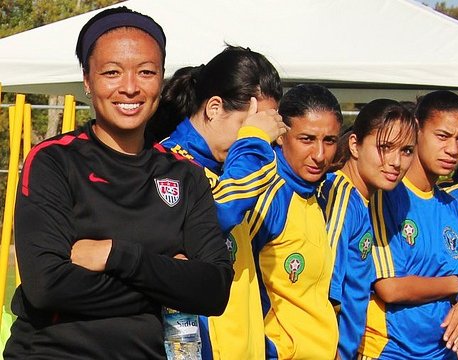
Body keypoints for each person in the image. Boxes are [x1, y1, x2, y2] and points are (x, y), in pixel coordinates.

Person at [4, 7, 233, 359]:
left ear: (161, 79)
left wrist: (118, 255)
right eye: (112, 72)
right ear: (87, 79)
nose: (129, 88)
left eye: (145, 72)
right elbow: (47, 286)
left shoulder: (184, 176)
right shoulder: (54, 161)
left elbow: (214, 290)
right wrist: (171, 280)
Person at [149, 45, 286, 360]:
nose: (254, 137)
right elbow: (215, 215)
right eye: (247, 124)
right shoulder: (166, 163)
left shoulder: (232, 167)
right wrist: (253, 140)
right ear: (213, 107)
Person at [359, 90, 458, 360]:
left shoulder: (452, 207)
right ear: (417, 129)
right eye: (442, 136)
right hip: (390, 351)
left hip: (441, 353)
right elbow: (390, 288)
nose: (453, 149)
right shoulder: (387, 195)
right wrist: (453, 285)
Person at [247, 84, 342, 359]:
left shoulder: (319, 194)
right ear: (281, 136)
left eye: (330, 141)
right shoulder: (267, 194)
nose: (320, 154)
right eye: (307, 139)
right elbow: (232, 280)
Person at [318, 99, 418, 359]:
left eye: (407, 151)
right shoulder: (340, 196)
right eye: (385, 147)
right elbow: (325, 291)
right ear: (354, 145)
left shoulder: (366, 201)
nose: (396, 162)